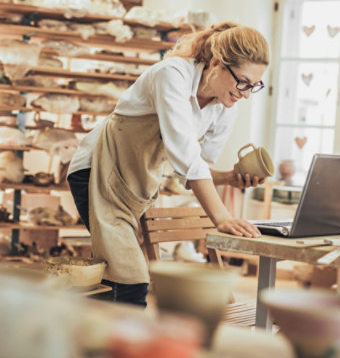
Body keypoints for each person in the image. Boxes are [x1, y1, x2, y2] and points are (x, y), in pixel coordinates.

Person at [67, 21, 269, 306]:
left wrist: (228, 178)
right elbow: (187, 158)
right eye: (243, 82)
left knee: (114, 275)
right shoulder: (171, 74)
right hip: (96, 172)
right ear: (216, 63)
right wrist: (222, 217)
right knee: (129, 279)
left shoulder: (225, 107)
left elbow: (195, 168)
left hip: (135, 186)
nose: (246, 93)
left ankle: (94, 337)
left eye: (254, 86)